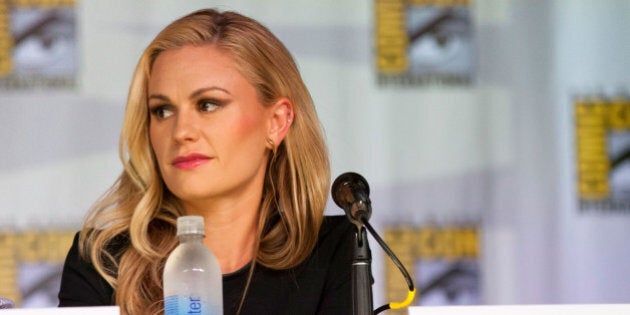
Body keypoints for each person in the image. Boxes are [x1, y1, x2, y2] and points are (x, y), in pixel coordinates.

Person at [58, 8, 354, 315]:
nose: (181, 131)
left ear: (276, 122)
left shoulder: (331, 249)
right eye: (162, 111)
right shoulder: (101, 261)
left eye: (208, 105)